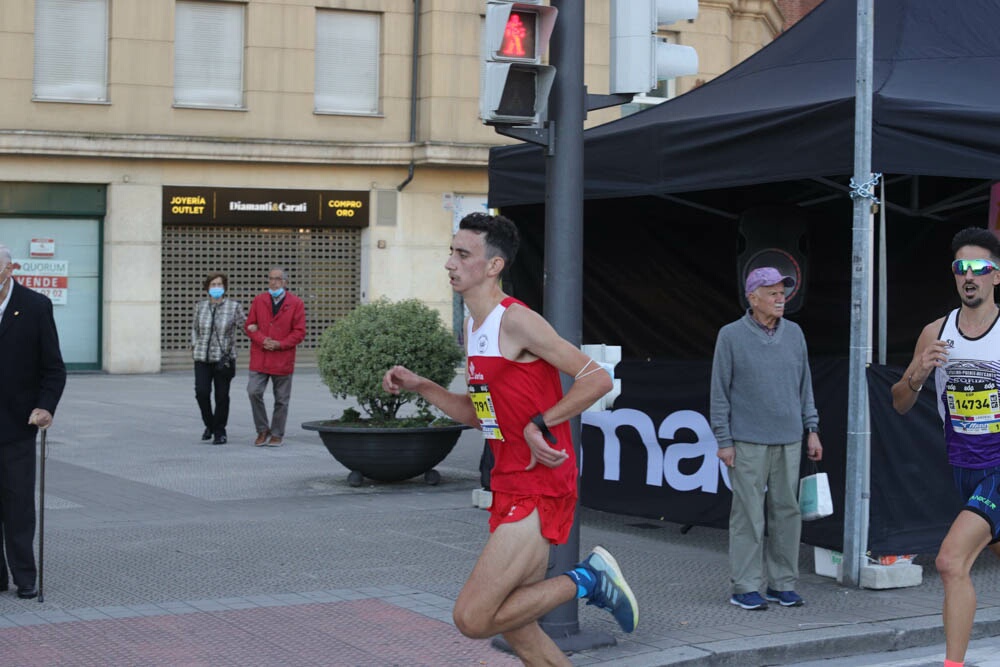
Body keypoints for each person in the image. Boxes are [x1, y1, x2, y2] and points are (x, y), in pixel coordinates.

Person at [381, 213, 637, 665]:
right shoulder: (472, 328)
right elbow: (483, 417)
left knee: (474, 618)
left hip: (539, 483)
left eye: (463, 254)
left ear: (494, 266)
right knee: (519, 628)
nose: (449, 263)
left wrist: (541, 421)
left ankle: (589, 579)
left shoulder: (517, 320)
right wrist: (422, 385)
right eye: (451, 252)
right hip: (508, 479)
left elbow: (597, 379)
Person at [891, 227, 1000, 667]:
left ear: (996, 276)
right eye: (961, 267)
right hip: (963, 468)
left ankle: (952, 665)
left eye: (979, 267)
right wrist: (917, 372)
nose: (968, 275)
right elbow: (900, 402)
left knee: (951, 561)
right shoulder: (935, 332)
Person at [710, 266, 823, 611]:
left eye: (782, 291)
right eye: (772, 292)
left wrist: (812, 428)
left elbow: (805, 386)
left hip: (789, 438)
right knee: (747, 515)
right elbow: (719, 393)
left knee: (787, 513)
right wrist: (724, 440)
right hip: (746, 441)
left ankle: (782, 583)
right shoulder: (730, 335)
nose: (780, 298)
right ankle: (745, 586)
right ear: (752, 297)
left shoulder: (795, 334)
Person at [0, 244, 66, 599]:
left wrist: (46, 407)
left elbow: (53, 369)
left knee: (18, 504)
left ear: (11, 269)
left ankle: (25, 575)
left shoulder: (36, 306)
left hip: (17, 425)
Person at [245, 267, 306, 447]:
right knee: (253, 391)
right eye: (271, 279)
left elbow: (299, 332)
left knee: (281, 399)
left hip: (282, 357)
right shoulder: (259, 300)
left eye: (278, 279)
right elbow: (250, 325)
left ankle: (277, 433)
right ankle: (262, 430)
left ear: (285, 282)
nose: (274, 282)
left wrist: (280, 344)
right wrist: (263, 340)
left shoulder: (296, 303)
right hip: (260, 356)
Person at [191, 272, 246, 445]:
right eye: (213, 284)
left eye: (219, 285)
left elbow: (246, 326)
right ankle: (210, 424)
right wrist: (194, 345)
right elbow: (195, 328)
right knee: (201, 393)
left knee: (222, 396)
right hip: (202, 358)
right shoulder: (200, 306)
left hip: (224, 359)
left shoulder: (233, 307)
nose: (216, 288)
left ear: (224, 287)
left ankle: (220, 431)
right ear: (207, 287)